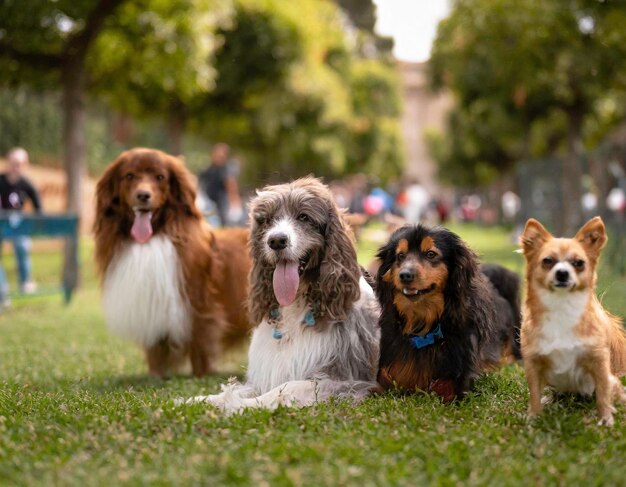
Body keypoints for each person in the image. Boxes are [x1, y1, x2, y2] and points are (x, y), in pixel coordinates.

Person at [0, 147, 42, 306]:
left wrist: (37, 223)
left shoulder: (27, 184)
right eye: (12, 163)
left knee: (22, 246)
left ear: (24, 165)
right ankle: (2, 293)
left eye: (19, 163)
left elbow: (39, 208)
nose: (15, 167)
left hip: (17, 224)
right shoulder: (1, 181)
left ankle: (25, 282)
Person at [197, 143, 242, 226]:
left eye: (222, 155)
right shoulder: (207, 169)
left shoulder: (227, 170)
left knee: (223, 224)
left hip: (222, 202)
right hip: (208, 202)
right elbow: (200, 184)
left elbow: (232, 187)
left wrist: (235, 205)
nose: (219, 157)